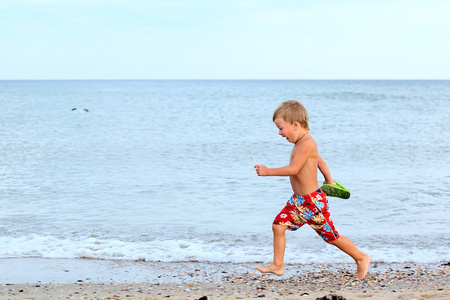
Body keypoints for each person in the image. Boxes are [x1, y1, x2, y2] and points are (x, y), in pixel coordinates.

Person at [254, 100, 371, 279]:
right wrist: (329, 180)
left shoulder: (307, 143)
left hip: (312, 203)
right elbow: (320, 161)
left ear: (295, 125)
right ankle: (278, 265)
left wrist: (268, 171)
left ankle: (361, 258)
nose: (279, 133)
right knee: (278, 226)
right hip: (298, 201)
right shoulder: (301, 143)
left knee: (331, 237)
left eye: (281, 128)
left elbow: (294, 169)